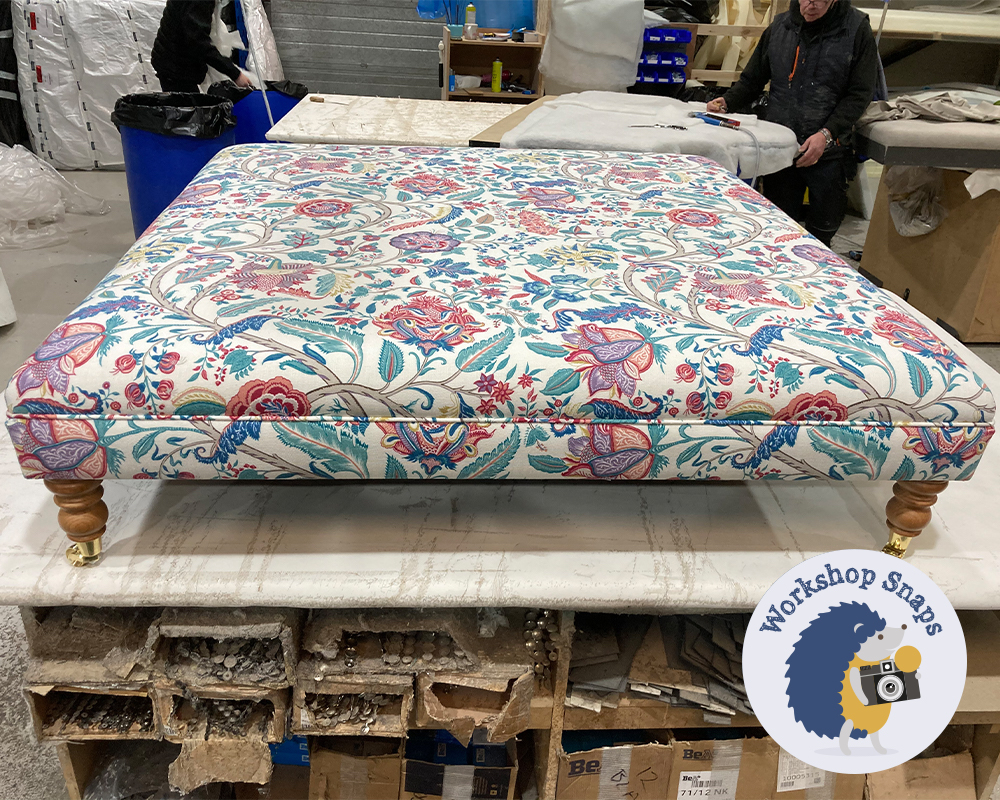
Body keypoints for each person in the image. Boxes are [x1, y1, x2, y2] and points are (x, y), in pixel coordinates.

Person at [707, 0, 878, 246]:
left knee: (822, 233)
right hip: (781, 148)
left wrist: (827, 134)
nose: (810, 5)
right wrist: (726, 101)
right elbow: (752, 80)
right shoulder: (780, 27)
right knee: (778, 229)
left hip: (829, 150)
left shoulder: (856, 29)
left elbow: (859, 94)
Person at [151, 0, 252, 93]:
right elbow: (198, 41)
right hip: (175, 66)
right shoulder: (199, 2)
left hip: (172, 61)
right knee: (188, 104)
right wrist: (235, 74)